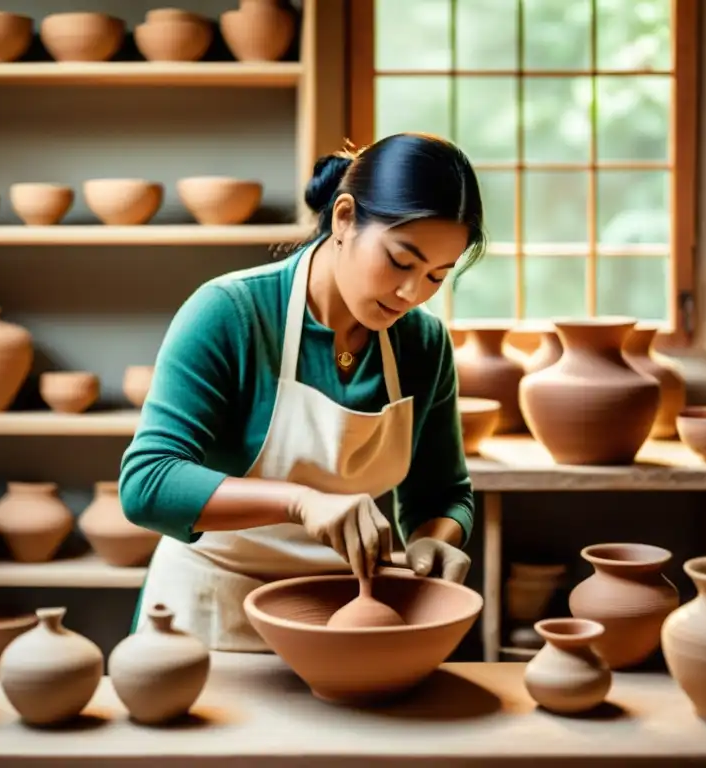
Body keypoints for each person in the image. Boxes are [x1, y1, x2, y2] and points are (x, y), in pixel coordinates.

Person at [118, 131, 488, 652]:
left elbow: (443, 491)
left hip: (342, 618)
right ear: (344, 218)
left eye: (436, 276)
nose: (412, 293)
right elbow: (147, 485)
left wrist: (435, 536)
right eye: (402, 262)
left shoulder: (422, 345)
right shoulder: (231, 314)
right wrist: (299, 503)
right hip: (208, 615)